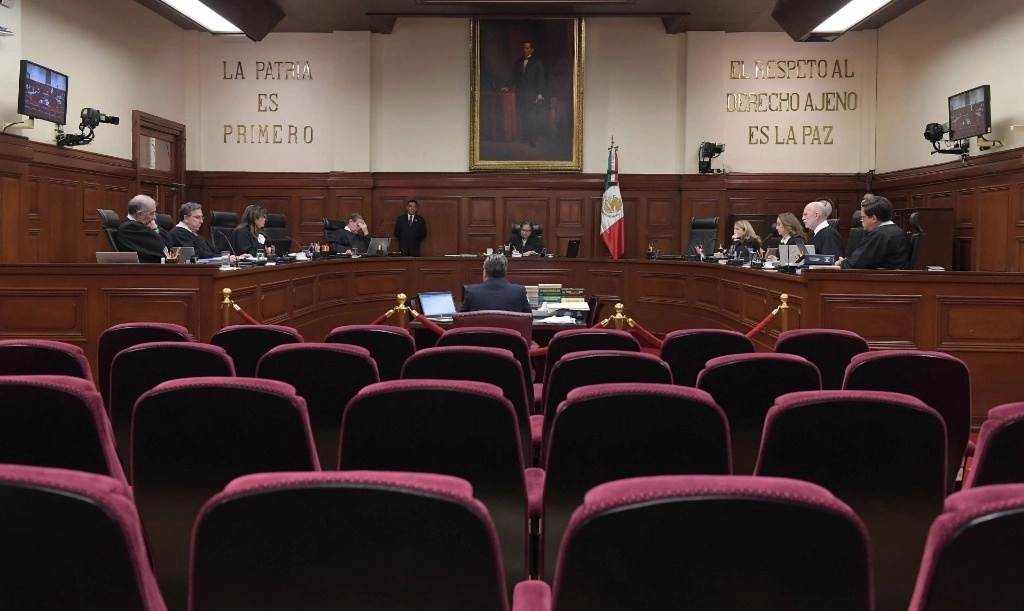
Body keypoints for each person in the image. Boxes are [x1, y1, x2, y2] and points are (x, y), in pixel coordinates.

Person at [837, 196, 909, 269]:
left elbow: (855, 264)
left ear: (874, 218)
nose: (861, 220)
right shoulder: (898, 231)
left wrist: (843, 263)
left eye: (863, 217)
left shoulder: (879, 235)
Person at [501, 41, 545, 147]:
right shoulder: (518, 62)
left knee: (532, 116)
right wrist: (507, 86)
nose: (525, 49)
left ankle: (532, 139)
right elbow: (513, 76)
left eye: (527, 48)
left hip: (532, 93)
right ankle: (525, 137)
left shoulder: (537, 62)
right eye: (524, 48)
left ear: (532, 49)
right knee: (523, 115)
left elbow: (541, 78)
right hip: (520, 92)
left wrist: (539, 93)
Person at [461, 253, 532, 313]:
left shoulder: (472, 291)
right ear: (505, 272)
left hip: (480, 330)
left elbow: (460, 319)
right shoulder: (519, 291)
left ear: (485, 272)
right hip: (509, 329)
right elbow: (528, 319)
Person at [116, 194, 172, 263]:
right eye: (152, 213)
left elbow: (170, 244)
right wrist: (155, 230)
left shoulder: (144, 225)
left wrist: (156, 229)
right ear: (140, 214)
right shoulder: (130, 228)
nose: (154, 217)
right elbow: (163, 251)